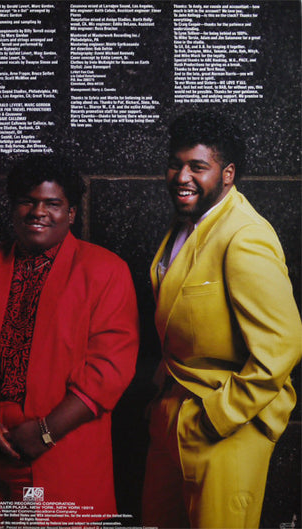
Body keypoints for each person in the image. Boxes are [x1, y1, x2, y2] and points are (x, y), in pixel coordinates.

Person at [0, 155, 139, 524]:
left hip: (60, 446)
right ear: (13, 207)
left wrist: (45, 433)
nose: (38, 212)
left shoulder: (106, 271)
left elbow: (109, 369)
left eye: (52, 203)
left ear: (71, 213)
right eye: (27, 201)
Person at [142, 110, 302, 528]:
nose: (182, 177)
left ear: (227, 174)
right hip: (173, 412)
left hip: (225, 425)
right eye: (175, 164)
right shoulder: (189, 221)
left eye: (197, 167)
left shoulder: (245, 236)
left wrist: (217, 417)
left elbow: (281, 347)